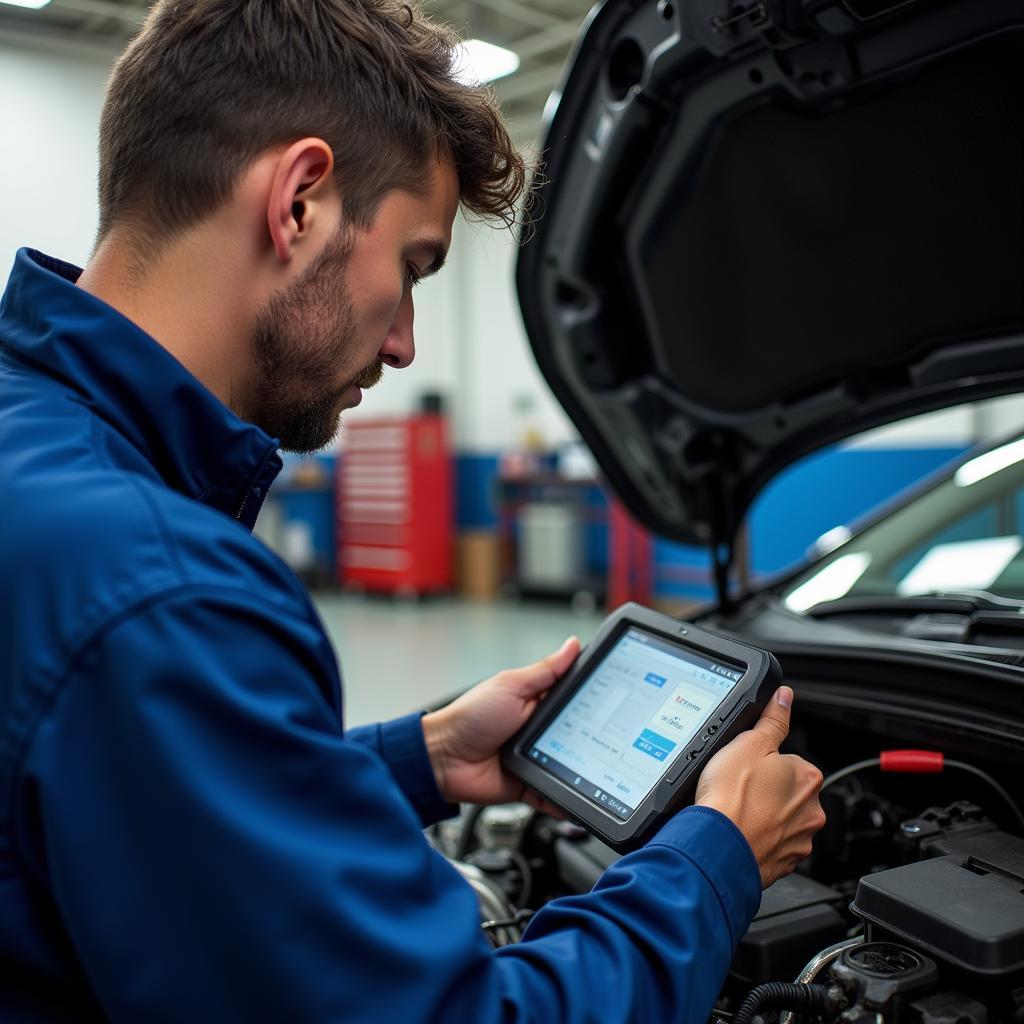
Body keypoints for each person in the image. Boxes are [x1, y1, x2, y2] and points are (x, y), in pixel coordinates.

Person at [0, 1, 825, 1020]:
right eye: (413, 268)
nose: (404, 347)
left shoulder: (33, 448)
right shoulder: (161, 588)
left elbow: (132, 811)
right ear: (299, 200)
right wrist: (716, 859)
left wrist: (424, 754)